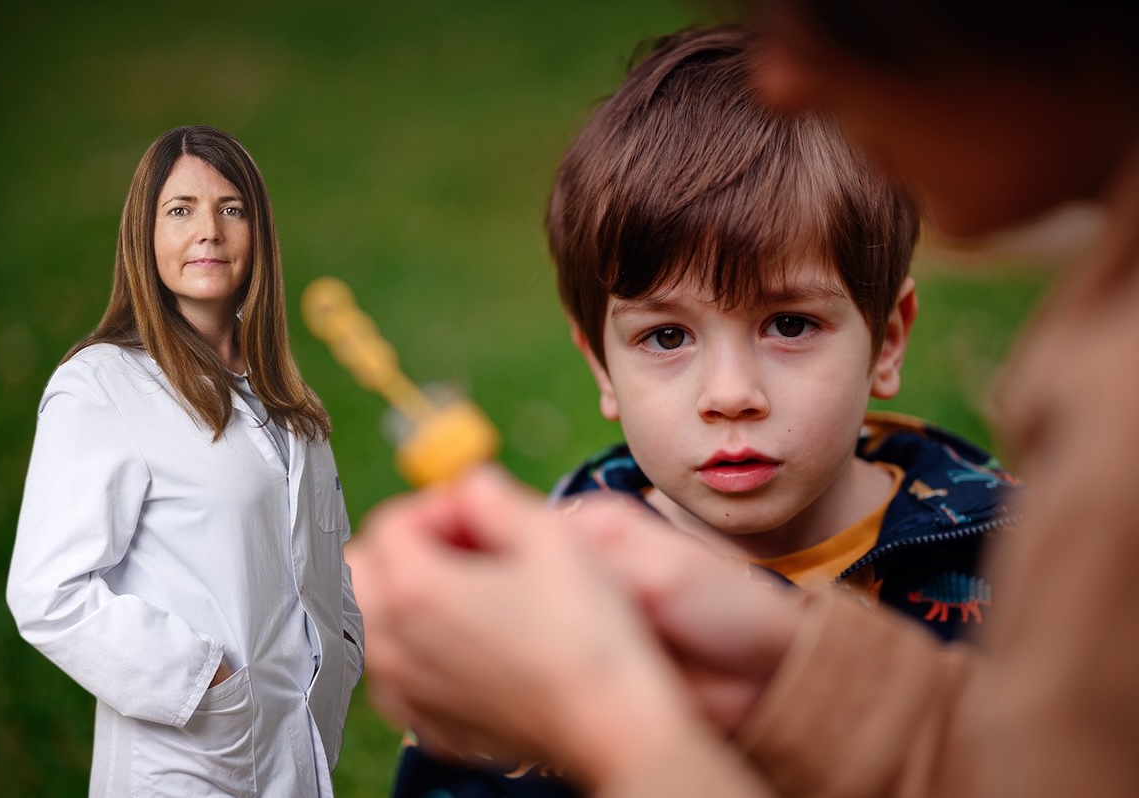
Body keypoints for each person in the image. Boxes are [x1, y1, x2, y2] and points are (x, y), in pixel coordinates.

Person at [347, 2, 1139, 797]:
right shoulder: (541, 602)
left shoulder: (1020, 546)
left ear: (888, 340)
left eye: (790, 324)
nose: (730, 395)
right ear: (600, 366)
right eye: (666, 337)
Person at [6, 125, 364, 797]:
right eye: (180, 210)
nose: (209, 232)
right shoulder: (102, 386)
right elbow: (47, 593)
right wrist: (205, 683)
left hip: (297, 762)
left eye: (231, 209)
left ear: (259, 233)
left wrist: (344, 649)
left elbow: (320, 566)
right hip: (185, 764)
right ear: (144, 237)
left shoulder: (290, 402)